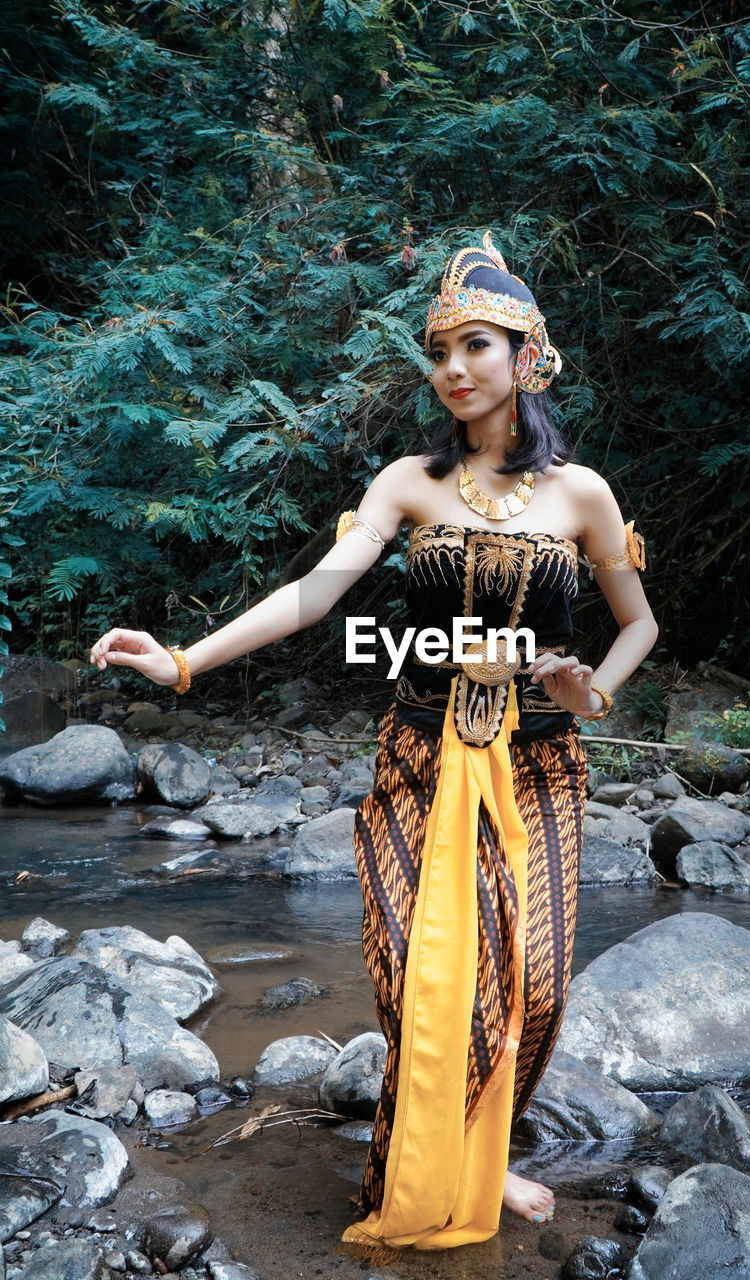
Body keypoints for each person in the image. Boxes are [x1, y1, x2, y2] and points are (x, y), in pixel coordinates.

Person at [90, 232, 657, 1252]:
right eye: (439, 351)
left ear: (526, 357)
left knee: (530, 986)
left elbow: (640, 621)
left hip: (537, 766)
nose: (452, 368)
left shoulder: (583, 494)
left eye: (474, 345)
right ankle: (428, 1161)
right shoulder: (409, 479)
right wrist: (183, 660)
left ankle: (492, 1155)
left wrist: (593, 689)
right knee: (417, 971)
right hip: (420, 759)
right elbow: (315, 593)